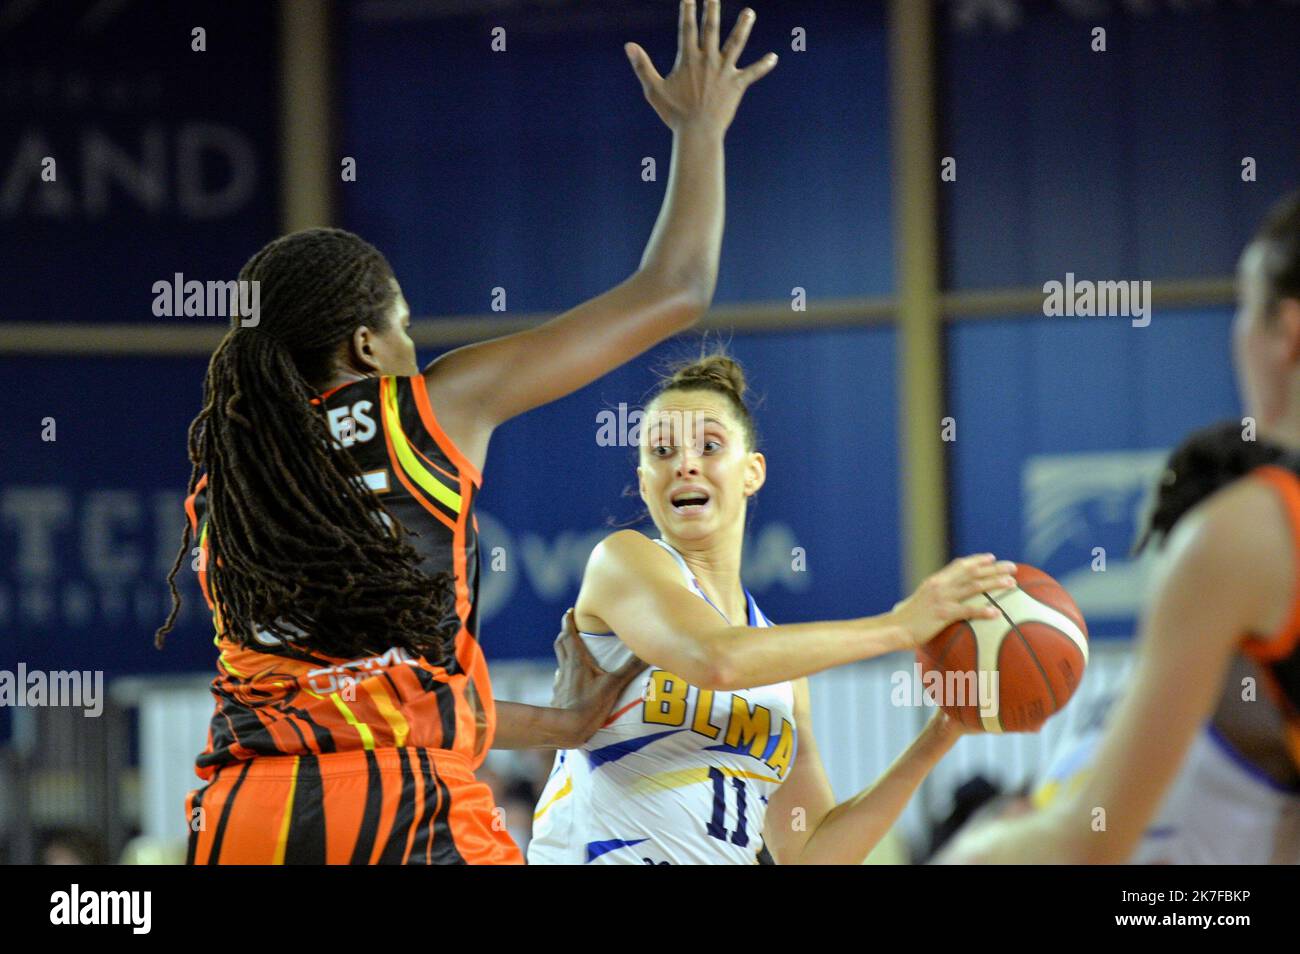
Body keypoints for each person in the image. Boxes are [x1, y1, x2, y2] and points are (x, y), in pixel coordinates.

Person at [157, 0, 779, 865]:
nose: (417, 345)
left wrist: (563, 724)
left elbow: (354, 698)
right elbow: (676, 286)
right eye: (403, 325)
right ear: (366, 344)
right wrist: (699, 128)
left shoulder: (232, 491)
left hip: (240, 821)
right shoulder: (430, 409)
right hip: (404, 811)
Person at [528, 352, 1018, 864]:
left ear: (752, 472)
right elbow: (716, 659)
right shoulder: (621, 562)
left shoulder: (777, 665)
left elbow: (810, 853)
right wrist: (900, 626)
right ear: (646, 482)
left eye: (709, 446)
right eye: (663, 450)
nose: (685, 463)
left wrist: (945, 731)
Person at [940, 193, 1300, 863]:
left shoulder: (1248, 533)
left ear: (1287, 328)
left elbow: (1084, 842)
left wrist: (964, 854)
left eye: (1244, 309)